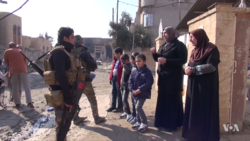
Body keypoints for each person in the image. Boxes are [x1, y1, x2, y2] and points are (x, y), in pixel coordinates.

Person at [182, 28, 220, 141]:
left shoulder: (212, 49)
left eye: (192, 37)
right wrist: (186, 69)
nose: (190, 39)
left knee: (203, 110)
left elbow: (212, 66)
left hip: (205, 87)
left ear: (200, 36)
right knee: (193, 109)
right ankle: (192, 134)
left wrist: (193, 70)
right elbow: (189, 64)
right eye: (189, 37)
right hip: (193, 85)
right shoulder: (194, 51)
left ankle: (203, 136)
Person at [150, 26, 187, 131]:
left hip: (173, 80)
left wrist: (167, 61)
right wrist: (154, 54)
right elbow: (159, 59)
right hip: (163, 79)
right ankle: (162, 122)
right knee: (163, 100)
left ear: (171, 33)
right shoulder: (164, 45)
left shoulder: (179, 45)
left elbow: (183, 60)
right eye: (163, 33)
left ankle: (172, 124)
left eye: (165, 33)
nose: (164, 35)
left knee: (172, 101)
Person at [45, 27, 77, 140]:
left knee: (64, 125)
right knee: (62, 126)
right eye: (72, 37)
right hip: (62, 95)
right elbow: (61, 76)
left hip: (66, 93)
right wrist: (68, 98)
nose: (74, 40)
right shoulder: (59, 53)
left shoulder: (65, 52)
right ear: (65, 38)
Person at [74, 35, 106, 124]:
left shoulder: (69, 52)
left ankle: (75, 118)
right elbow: (93, 65)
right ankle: (96, 117)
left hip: (72, 81)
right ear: (81, 42)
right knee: (92, 98)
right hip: (84, 80)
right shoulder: (84, 53)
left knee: (75, 100)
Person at [4, 42, 34, 109]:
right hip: (23, 69)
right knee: (26, 86)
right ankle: (29, 102)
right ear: (15, 46)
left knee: (15, 87)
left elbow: (6, 63)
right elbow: (25, 62)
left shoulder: (7, 51)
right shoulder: (21, 51)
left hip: (13, 71)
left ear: (9, 46)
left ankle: (17, 104)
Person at [129, 54, 154, 133]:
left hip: (143, 93)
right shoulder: (134, 71)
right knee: (136, 108)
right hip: (135, 93)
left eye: (139, 61)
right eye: (136, 61)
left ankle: (144, 123)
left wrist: (140, 89)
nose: (137, 63)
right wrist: (132, 89)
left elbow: (149, 82)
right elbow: (130, 81)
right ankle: (138, 121)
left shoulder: (147, 72)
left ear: (144, 62)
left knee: (138, 107)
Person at [107, 47, 123, 112]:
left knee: (119, 93)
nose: (115, 55)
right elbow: (112, 70)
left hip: (119, 79)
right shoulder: (115, 60)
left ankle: (119, 107)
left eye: (115, 54)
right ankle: (113, 106)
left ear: (119, 53)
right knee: (113, 93)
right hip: (114, 78)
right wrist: (110, 78)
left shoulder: (122, 61)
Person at [127, 52, 139, 124]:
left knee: (137, 105)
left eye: (132, 59)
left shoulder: (138, 68)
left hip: (136, 90)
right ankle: (134, 115)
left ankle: (137, 118)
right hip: (132, 89)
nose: (131, 61)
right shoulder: (133, 67)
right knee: (133, 103)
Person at [119, 54, 132, 120]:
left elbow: (128, 72)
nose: (121, 62)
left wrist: (124, 65)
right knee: (123, 100)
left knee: (125, 99)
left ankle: (129, 113)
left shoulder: (129, 66)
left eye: (122, 61)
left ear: (126, 60)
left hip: (127, 86)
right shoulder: (124, 66)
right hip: (122, 85)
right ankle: (126, 111)